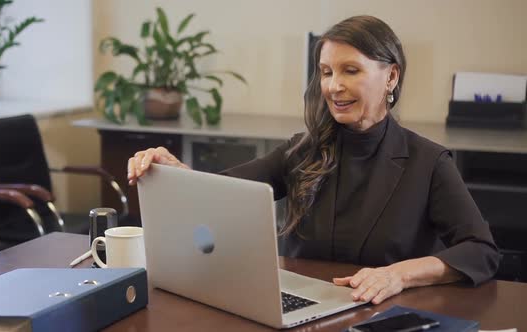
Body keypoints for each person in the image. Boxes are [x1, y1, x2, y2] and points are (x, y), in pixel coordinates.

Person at [127, 15, 499, 305]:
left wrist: (399, 275)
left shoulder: (429, 162)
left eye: (350, 70)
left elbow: (480, 251)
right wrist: (175, 171)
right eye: (326, 72)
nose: (333, 86)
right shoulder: (301, 151)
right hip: (301, 310)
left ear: (391, 76)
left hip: (381, 314)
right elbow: (224, 190)